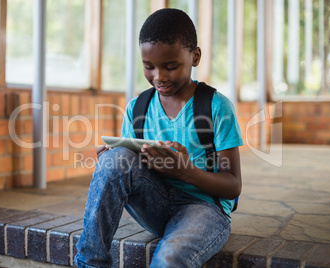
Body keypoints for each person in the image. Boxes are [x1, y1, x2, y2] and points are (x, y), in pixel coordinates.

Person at [74, 8, 243, 268]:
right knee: (114, 159)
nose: (159, 77)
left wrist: (187, 173)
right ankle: (90, 263)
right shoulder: (138, 108)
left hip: (205, 209)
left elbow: (233, 185)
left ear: (195, 57)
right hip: (155, 204)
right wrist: (115, 160)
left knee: (169, 259)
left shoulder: (216, 107)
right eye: (149, 66)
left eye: (171, 66)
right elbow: (128, 166)